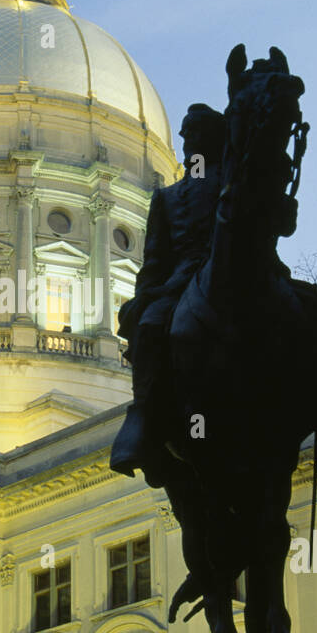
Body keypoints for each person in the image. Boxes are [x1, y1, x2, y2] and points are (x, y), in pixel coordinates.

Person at [110, 103, 226, 485]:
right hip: (180, 280)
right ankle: (143, 413)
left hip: (230, 268)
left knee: (314, 315)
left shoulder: (237, 182)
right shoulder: (169, 197)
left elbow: (274, 224)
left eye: (195, 132)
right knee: (152, 323)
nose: (187, 140)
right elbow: (155, 258)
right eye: (185, 133)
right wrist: (147, 294)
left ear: (215, 138)